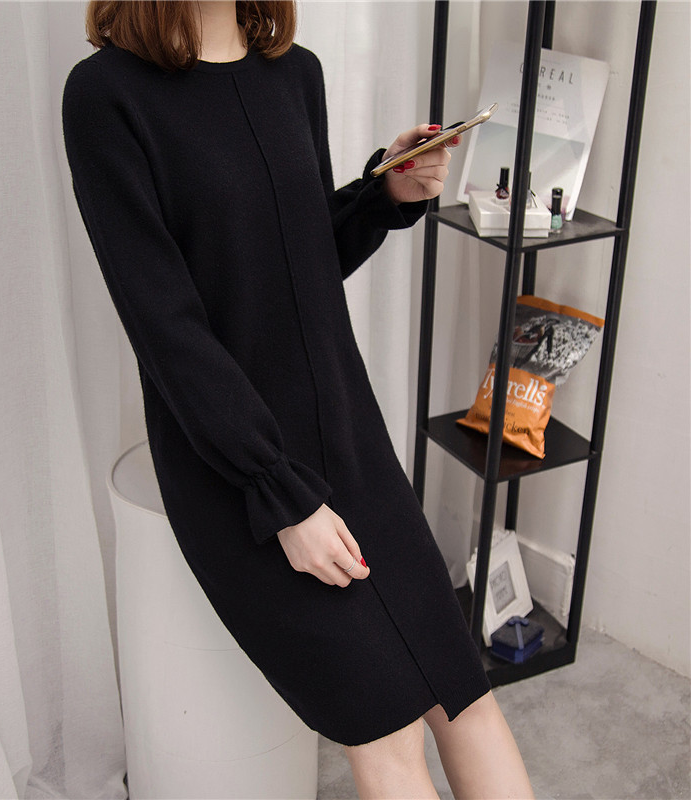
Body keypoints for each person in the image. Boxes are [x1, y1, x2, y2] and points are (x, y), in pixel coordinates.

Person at [62, 1, 535, 797]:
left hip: (347, 433)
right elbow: (166, 328)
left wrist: (385, 193)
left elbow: (300, 261)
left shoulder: (295, 74)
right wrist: (280, 496)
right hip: (232, 464)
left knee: (466, 697)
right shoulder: (106, 95)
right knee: (386, 731)